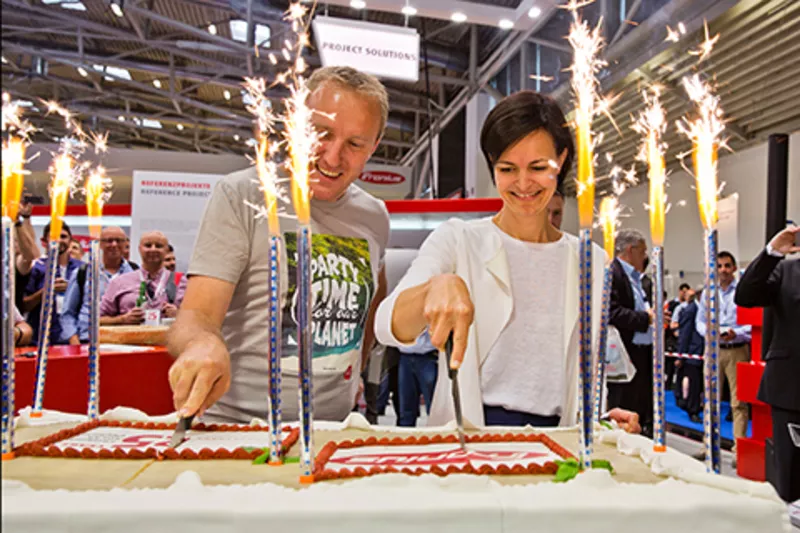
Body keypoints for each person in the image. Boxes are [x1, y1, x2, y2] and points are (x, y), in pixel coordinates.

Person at [375, 91, 639, 433]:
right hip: (470, 434)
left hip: (560, 438)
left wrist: (599, 422)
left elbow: (586, 363)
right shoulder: (459, 241)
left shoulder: (590, 260)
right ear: (492, 164)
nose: (524, 183)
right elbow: (387, 325)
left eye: (539, 167)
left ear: (561, 160)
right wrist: (432, 290)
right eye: (507, 169)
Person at [168, 66, 391, 424]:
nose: (333, 157)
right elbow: (196, 315)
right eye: (322, 133)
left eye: (354, 144)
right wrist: (201, 344)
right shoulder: (244, 194)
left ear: (373, 147)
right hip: (237, 425)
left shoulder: (374, 216)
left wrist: (355, 373)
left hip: (332, 428)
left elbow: (370, 307)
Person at [734, 225, 800, 502]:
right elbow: (746, 295)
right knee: (792, 474)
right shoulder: (786, 271)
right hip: (792, 388)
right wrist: (772, 252)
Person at [695, 250, 750, 463]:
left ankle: (739, 450)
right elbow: (700, 321)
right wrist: (711, 332)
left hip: (737, 348)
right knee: (710, 399)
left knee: (739, 402)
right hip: (714, 349)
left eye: (727, 266)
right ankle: (708, 445)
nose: (723, 270)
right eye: (719, 266)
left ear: (734, 268)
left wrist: (738, 332)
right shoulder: (708, 292)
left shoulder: (744, 291)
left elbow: (750, 322)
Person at [607, 228, 655, 436]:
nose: (645, 256)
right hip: (623, 354)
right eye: (643, 251)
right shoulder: (613, 273)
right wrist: (646, 318)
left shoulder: (640, 280)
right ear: (630, 249)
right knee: (625, 407)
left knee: (641, 407)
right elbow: (611, 311)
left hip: (642, 352)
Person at [61, 226, 136, 343]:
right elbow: (68, 312)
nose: (114, 244)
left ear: (126, 243)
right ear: (100, 244)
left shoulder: (136, 274)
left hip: (125, 341)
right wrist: (73, 339)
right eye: (109, 241)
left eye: (119, 240)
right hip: (87, 340)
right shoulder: (83, 273)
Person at [22, 221, 83, 346]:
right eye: (54, 237)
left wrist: (72, 290)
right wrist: (45, 291)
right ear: (44, 241)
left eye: (63, 236)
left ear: (71, 241)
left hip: (75, 338)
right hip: (40, 339)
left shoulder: (82, 268)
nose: (59, 240)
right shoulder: (35, 268)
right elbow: (24, 306)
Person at [100, 231, 179, 323]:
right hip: (130, 336)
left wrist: (179, 315)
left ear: (166, 250)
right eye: (148, 245)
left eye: (158, 246)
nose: (153, 249)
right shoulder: (119, 282)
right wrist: (123, 319)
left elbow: (197, 318)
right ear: (139, 249)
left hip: (168, 336)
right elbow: (98, 320)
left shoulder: (181, 281)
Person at [397, 329, 438, 427]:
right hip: (405, 355)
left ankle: (437, 435)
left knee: (433, 406)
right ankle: (405, 438)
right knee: (406, 407)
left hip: (428, 355)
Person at [674, 287, 703, 423]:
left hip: (701, 351)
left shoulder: (700, 309)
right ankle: (693, 410)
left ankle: (693, 405)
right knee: (693, 383)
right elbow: (684, 334)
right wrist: (681, 355)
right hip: (692, 351)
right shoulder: (691, 310)